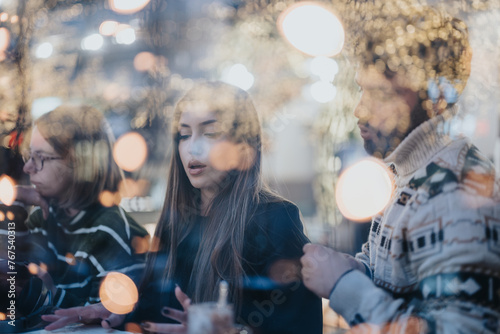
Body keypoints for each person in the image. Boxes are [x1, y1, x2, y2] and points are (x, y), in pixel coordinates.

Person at [42, 81, 323, 333]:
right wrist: (120, 311)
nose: (193, 148)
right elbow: (160, 307)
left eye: (210, 133)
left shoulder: (275, 220)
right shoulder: (177, 220)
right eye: (184, 135)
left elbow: (298, 324)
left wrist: (227, 331)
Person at [301, 2, 500, 333]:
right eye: (361, 89)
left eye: (378, 93)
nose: (359, 110)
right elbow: (400, 282)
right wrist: (356, 271)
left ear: (427, 97)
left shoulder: (454, 190)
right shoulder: (407, 172)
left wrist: (344, 286)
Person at [5, 104, 149, 310]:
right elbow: (8, 287)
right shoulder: (42, 218)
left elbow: (103, 321)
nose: (28, 168)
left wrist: (50, 294)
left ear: (80, 164)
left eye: (41, 158)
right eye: (29, 156)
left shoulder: (109, 231)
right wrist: (9, 202)